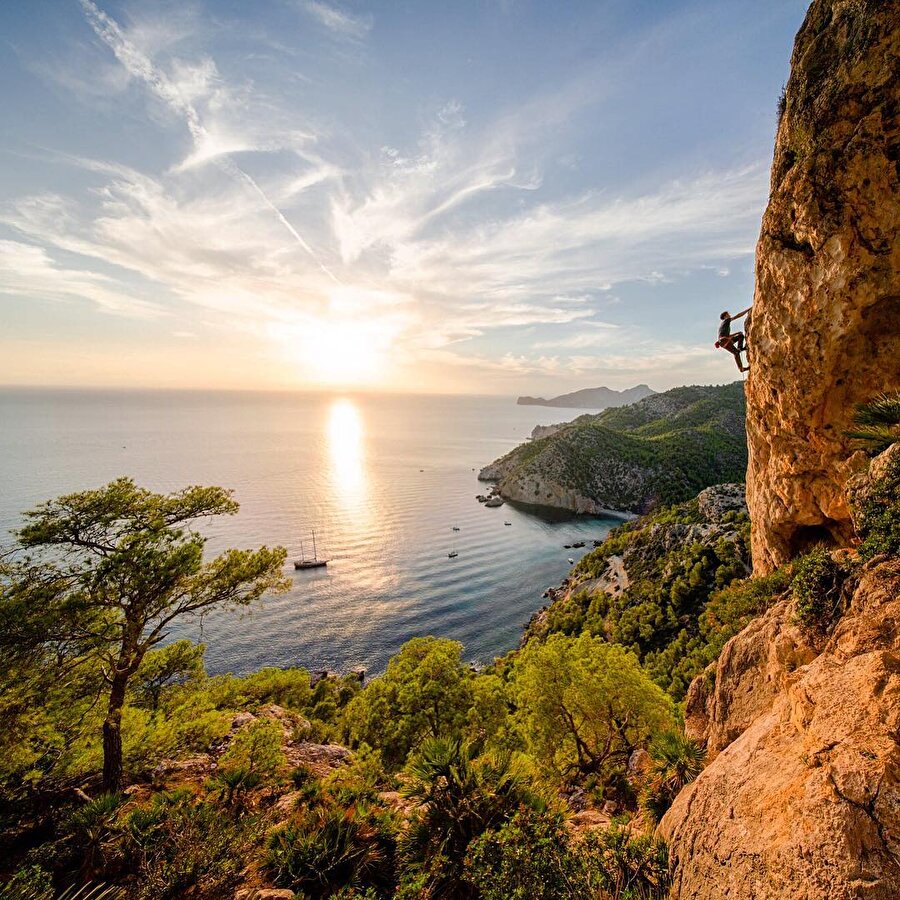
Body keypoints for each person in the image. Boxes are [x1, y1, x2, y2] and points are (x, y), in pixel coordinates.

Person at [716, 306, 751, 372]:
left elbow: (727, 336)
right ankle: (741, 368)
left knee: (740, 336)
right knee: (736, 353)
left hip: (723, 341)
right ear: (725, 316)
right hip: (724, 340)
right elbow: (738, 315)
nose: (729, 315)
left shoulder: (723, 325)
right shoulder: (727, 320)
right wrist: (748, 309)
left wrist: (737, 333)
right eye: (728, 314)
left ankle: (740, 348)